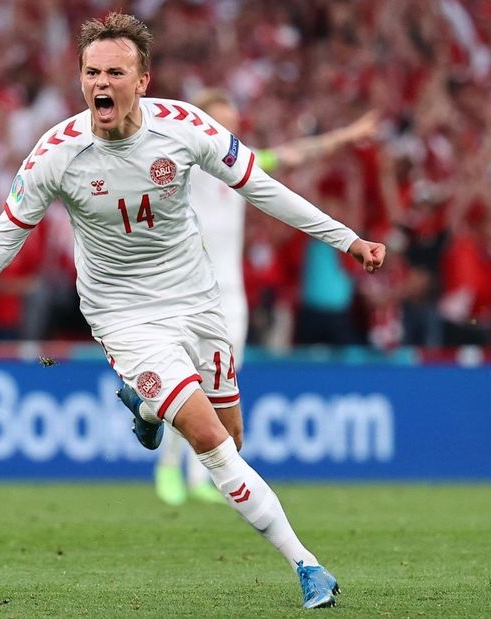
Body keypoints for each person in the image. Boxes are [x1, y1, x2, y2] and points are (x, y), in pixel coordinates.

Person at [0, 12, 385, 609]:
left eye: (114, 72)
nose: (100, 84)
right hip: (122, 312)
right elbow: (4, 236)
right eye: (90, 72)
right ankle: (308, 567)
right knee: (209, 438)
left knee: (232, 439)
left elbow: (262, 187)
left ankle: (146, 405)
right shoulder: (57, 153)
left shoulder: (185, 128)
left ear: (143, 80)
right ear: (80, 79)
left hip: (195, 298)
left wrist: (346, 239)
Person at [155, 89, 380, 506]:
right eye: (218, 120)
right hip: (189, 287)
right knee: (183, 380)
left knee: (220, 384)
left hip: (232, 292)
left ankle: (199, 475)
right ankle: (169, 466)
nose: (226, 128)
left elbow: (294, 154)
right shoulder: (184, 163)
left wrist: (348, 134)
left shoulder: (240, 161)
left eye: (231, 120)